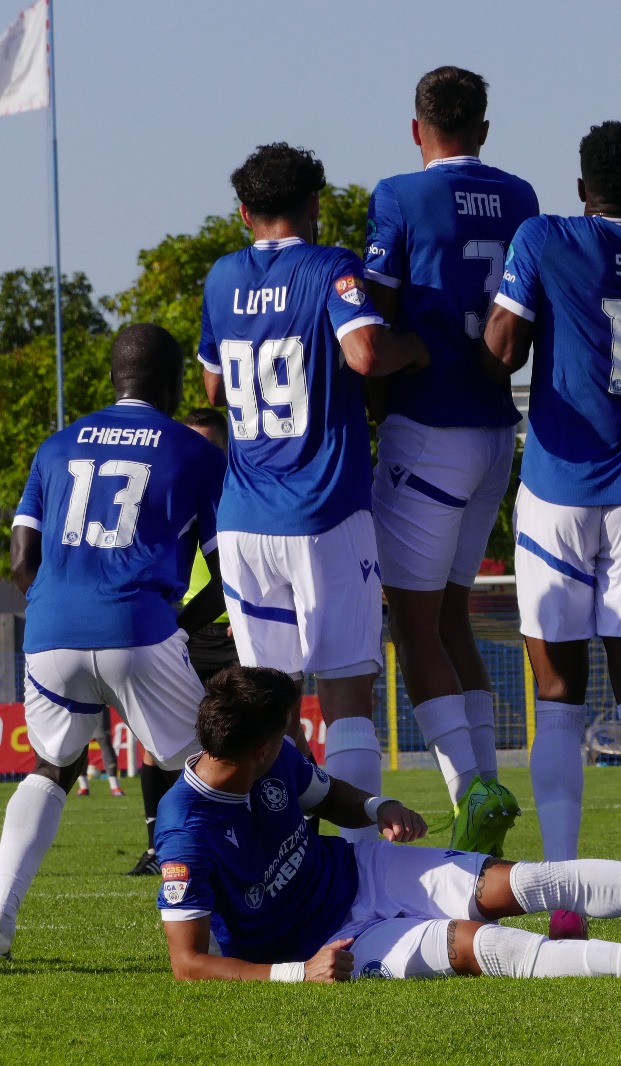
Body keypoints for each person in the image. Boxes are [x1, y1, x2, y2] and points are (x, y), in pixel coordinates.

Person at [156, 665, 621, 982]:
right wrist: (300, 972)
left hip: (362, 870)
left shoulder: (272, 759)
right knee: (488, 946)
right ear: (259, 748)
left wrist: (376, 809)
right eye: (288, 730)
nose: (299, 735)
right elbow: (188, 963)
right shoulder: (186, 829)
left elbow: (327, 797)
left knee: (533, 881)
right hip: (326, 945)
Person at [482, 121, 621, 946]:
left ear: (581, 189)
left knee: (559, 704)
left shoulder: (546, 236)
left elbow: (503, 348)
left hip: (557, 490)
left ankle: (564, 898)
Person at [198, 142, 429, 843]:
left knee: (269, 706)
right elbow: (365, 353)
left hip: (244, 518)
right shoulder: (331, 266)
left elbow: (212, 386)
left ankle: (280, 853)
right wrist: (415, 348)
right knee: (347, 693)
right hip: (323, 511)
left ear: (244, 212)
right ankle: (359, 864)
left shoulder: (221, 277)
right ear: (315, 205)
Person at [0, 324, 227, 959]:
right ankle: (240, 918)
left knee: (53, 766)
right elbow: (227, 575)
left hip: (49, 630)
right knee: (209, 766)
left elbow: (21, 559)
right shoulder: (195, 451)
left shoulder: (55, 446)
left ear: (112, 379)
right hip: (138, 627)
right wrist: (174, 627)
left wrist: (59, 608)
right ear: (175, 384)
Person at [364, 67, 540, 856]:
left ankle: (473, 796)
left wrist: (379, 400)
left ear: (416, 128)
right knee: (450, 618)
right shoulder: (521, 195)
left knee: (414, 626)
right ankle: (487, 789)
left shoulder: (399, 194)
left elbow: (376, 316)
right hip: (497, 430)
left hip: (429, 425)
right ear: (485, 129)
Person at [128, 408, 239, 878]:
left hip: (234, 630)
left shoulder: (237, 490)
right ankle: (157, 847)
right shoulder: (163, 490)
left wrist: (250, 612)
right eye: (190, 443)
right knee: (154, 740)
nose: (198, 453)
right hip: (182, 629)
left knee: (263, 733)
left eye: (209, 444)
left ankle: (287, 834)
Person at [74, 710, 125, 797]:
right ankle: (83, 786)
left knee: (103, 739)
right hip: (77, 708)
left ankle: (115, 786)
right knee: (79, 742)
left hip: (98, 706)